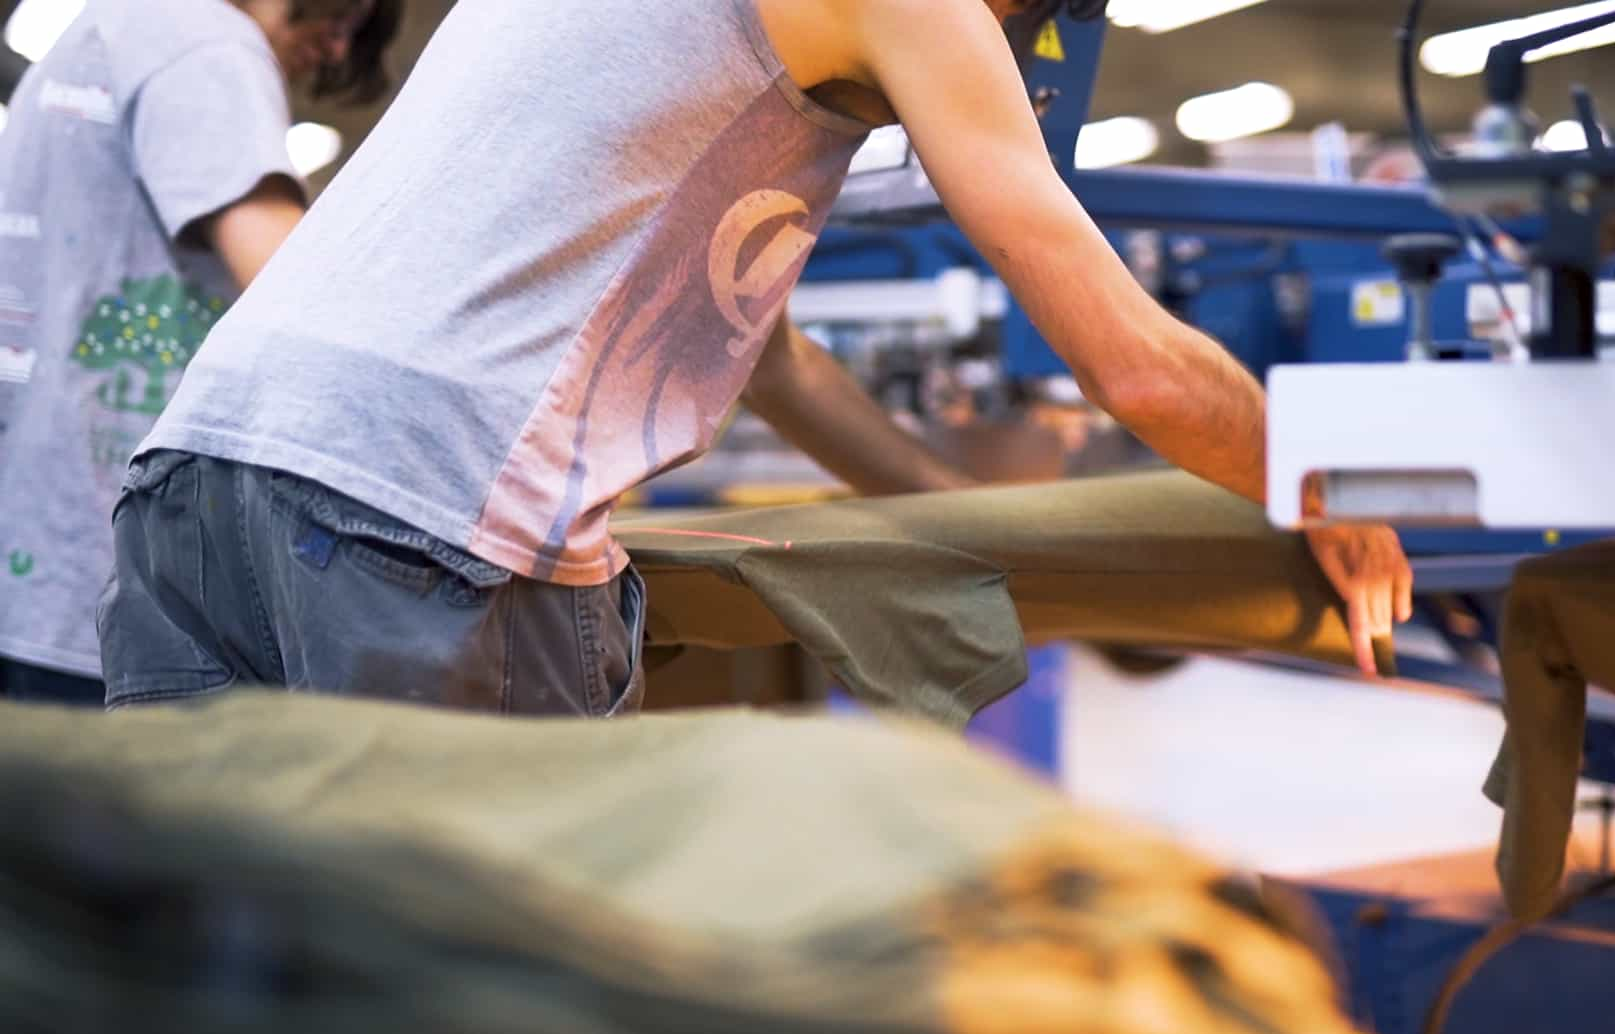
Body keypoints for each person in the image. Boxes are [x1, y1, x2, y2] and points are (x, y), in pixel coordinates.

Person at [100, 0, 1414, 715]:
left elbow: (774, 364)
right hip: (414, 524)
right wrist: (1326, 484)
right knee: (487, 1023)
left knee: (219, 1004)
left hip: (197, 483)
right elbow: (1135, 369)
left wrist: (981, 529)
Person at [0, 0, 400, 705]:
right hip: (106, 585)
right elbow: (304, 306)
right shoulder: (204, 41)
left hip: (44, 567)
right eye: (339, 13)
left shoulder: (120, 27)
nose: (337, 49)